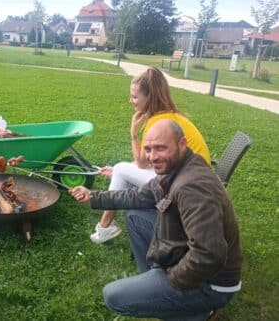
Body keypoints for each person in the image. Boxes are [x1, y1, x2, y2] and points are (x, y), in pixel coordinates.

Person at [70, 120, 242, 320]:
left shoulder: (191, 187)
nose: (152, 157)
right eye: (148, 149)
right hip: (189, 252)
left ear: (182, 144)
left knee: (113, 296)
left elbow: (209, 255)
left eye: (160, 148)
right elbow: (138, 195)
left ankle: (194, 312)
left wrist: (173, 278)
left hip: (212, 284)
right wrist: (93, 196)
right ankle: (155, 284)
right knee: (135, 216)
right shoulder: (178, 167)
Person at [90, 67, 211, 244]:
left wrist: (133, 133)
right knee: (122, 169)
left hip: (183, 188)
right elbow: (149, 162)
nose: (130, 101)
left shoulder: (157, 122)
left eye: (134, 96)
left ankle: (105, 226)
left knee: (123, 169)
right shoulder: (171, 116)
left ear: (149, 96)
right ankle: (105, 226)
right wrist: (119, 170)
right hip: (193, 180)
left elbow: (141, 163)